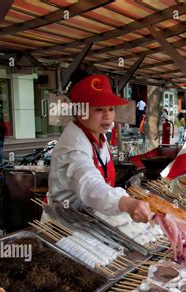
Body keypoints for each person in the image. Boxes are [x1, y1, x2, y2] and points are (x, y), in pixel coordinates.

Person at [48, 75, 152, 222]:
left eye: (111, 109)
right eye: (99, 109)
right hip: (69, 224)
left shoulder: (97, 134)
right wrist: (125, 203)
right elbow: (89, 183)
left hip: (92, 217)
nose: (108, 116)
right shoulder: (73, 148)